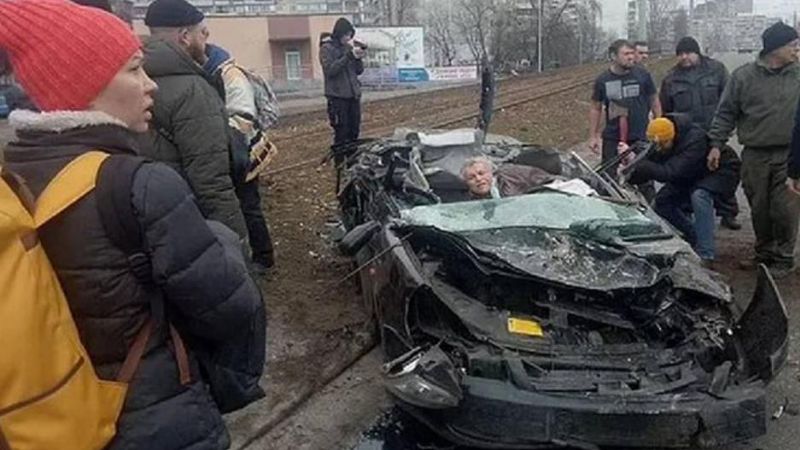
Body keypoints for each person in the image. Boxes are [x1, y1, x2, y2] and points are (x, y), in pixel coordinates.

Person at [0, 1, 264, 449]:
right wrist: (222, 240)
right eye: (134, 70)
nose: (150, 86)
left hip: (64, 414)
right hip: (154, 412)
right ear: (85, 84)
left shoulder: (17, 175)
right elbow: (229, 307)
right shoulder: (141, 184)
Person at [141, 0, 247, 239]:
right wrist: (237, 242)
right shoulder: (192, 91)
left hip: (154, 221)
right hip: (194, 222)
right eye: (203, 32)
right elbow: (211, 182)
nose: (206, 40)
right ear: (185, 36)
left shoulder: (133, 76)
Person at [708, 22, 800, 276]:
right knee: (759, 207)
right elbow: (726, 113)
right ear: (775, 49)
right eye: (792, 45)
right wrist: (716, 144)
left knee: (785, 209)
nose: (797, 50)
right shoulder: (743, 77)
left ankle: (783, 258)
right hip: (755, 154)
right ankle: (764, 252)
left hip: (790, 155)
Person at [621, 116, 740, 267]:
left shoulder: (695, 140)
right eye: (657, 146)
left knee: (700, 196)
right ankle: (693, 237)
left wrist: (640, 163)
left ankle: (706, 254)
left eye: (664, 145)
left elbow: (670, 173)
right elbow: (649, 170)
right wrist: (631, 169)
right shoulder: (661, 141)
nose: (660, 149)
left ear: (673, 136)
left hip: (720, 171)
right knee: (662, 203)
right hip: (692, 174)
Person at [204, 43, 277, 272]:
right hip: (236, 151)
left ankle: (263, 257)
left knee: (248, 205)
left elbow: (242, 119)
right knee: (246, 204)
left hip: (243, 154)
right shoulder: (217, 75)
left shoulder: (231, 77)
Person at [660, 36, 741, 230]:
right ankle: (688, 210)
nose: (684, 57)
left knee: (720, 172)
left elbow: (729, 101)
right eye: (680, 54)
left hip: (714, 132)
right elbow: (666, 110)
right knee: (690, 174)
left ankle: (728, 212)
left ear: (698, 52)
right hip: (688, 138)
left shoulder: (716, 70)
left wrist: (724, 130)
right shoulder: (671, 79)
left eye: (688, 53)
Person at [589, 39, 662, 182]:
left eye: (632, 53)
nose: (631, 57)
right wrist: (593, 136)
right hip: (613, 137)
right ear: (613, 56)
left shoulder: (643, 76)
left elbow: (654, 100)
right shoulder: (603, 80)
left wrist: (659, 125)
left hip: (640, 136)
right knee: (609, 179)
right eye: (625, 54)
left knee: (644, 178)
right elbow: (595, 107)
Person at [320, 17, 365, 153]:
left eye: (350, 35)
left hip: (353, 97)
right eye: (346, 35)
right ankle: (341, 168)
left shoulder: (348, 48)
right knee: (341, 134)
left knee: (354, 132)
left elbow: (358, 71)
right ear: (339, 33)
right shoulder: (326, 49)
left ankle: (352, 166)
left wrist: (359, 58)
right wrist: (348, 57)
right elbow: (330, 71)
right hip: (338, 99)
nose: (348, 38)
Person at [460, 157, 556, 199]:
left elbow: (546, 179)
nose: (478, 179)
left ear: (491, 172)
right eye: (471, 178)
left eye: (481, 173)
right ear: (467, 183)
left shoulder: (512, 174)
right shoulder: (472, 205)